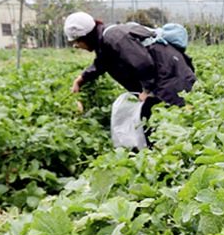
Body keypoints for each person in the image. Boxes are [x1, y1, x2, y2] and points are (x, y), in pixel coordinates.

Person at [65, 11, 196, 145]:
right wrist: (81, 78)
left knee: (169, 121)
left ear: (86, 37)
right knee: (156, 120)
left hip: (171, 76)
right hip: (169, 73)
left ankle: (171, 155)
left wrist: (146, 90)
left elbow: (143, 62)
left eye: (76, 41)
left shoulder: (114, 37)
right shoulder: (105, 41)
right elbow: (102, 63)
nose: (75, 46)